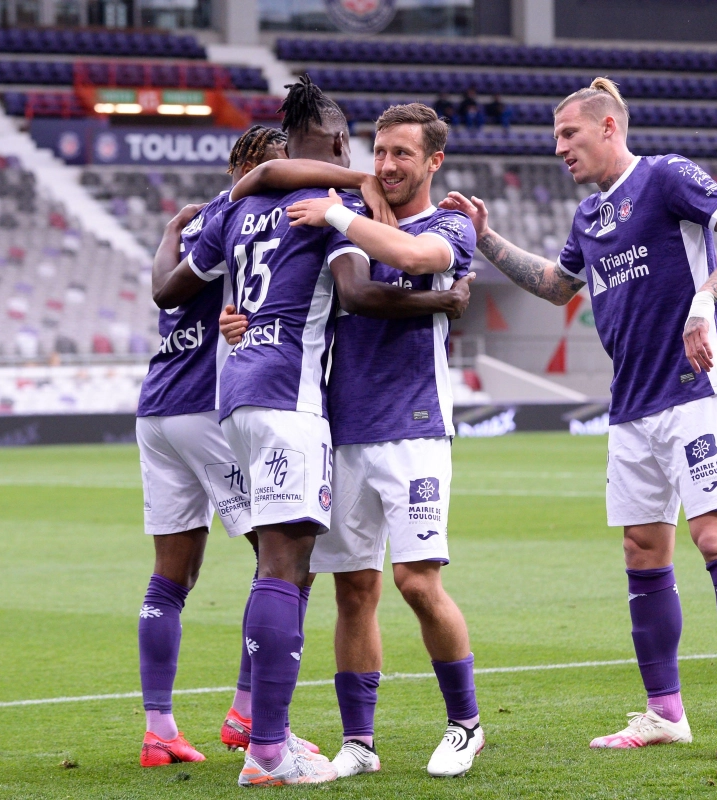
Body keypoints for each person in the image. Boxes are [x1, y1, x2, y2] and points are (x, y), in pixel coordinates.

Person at [441, 78, 717, 760]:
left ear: (608, 129)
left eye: (569, 135)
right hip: (631, 407)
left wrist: (705, 299)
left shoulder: (664, 177)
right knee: (642, 553)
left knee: (715, 537)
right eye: (556, 138)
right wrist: (485, 239)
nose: (560, 148)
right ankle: (664, 712)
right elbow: (557, 286)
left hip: (694, 392)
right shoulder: (588, 219)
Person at [223, 102, 485, 778]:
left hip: (416, 427)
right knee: (353, 589)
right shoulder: (344, 220)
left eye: (404, 154)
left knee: (416, 580)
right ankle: (359, 743)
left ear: (434, 161)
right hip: (342, 429)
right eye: (382, 152)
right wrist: (240, 321)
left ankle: (466, 724)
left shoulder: (447, 223)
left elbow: (417, 255)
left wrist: (342, 212)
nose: (389, 164)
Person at [154, 76, 371, 786]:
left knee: (280, 559)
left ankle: (261, 731)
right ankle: (267, 750)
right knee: (286, 563)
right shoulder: (329, 206)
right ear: (339, 143)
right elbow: (357, 293)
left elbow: (175, 287)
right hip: (288, 397)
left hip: (236, 395)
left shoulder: (234, 210)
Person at [135, 125, 284, 768]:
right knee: (279, 555)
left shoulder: (195, 228)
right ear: (251, 166)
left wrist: (169, 232)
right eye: (280, 164)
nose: (289, 174)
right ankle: (246, 714)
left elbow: (163, 288)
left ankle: (159, 728)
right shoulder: (242, 216)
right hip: (204, 405)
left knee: (173, 577)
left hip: (157, 409)